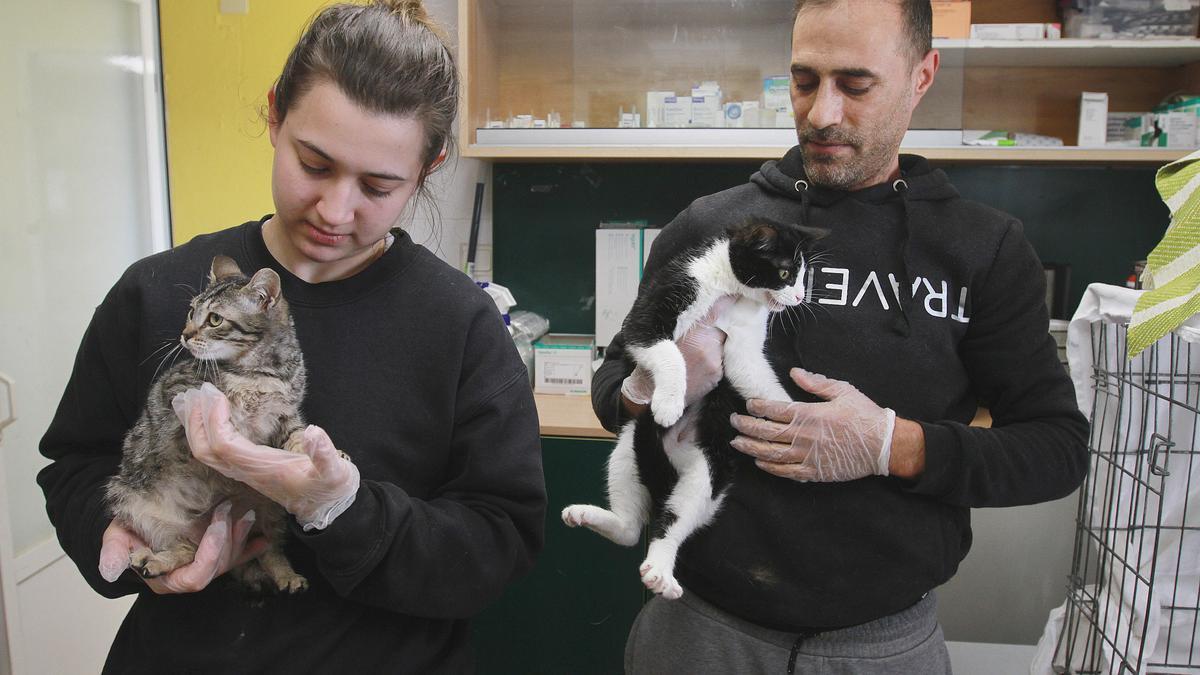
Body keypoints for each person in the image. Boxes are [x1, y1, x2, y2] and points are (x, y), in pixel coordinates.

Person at [37, 1, 546, 672]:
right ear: (275, 114)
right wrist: (125, 542)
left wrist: (341, 507)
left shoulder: (459, 326)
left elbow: (498, 540)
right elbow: (75, 462)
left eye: (378, 184)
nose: (336, 211)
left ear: (429, 166)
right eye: (314, 163)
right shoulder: (157, 292)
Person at [592, 0, 1090, 672]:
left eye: (855, 85)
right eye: (804, 81)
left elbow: (1056, 448)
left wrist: (893, 445)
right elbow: (606, 396)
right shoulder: (712, 226)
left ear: (922, 76)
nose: (822, 113)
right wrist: (650, 378)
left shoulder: (982, 248)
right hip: (699, 629)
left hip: (883, 646)